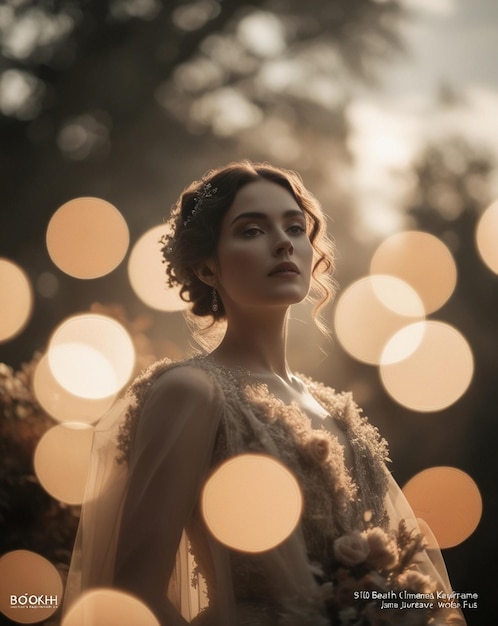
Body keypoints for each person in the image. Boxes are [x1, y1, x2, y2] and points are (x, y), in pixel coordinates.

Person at [64, 161, 466, 625]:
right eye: (252, 231)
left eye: (295, 228)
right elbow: (131, 596)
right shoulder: (191, 392)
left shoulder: (336, 411)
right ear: (207, 267)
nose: (283, 242)